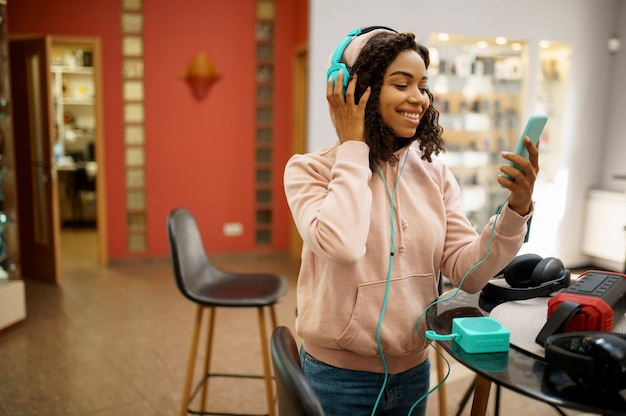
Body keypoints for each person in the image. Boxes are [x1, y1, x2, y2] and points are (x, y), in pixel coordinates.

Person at [283, 27, 538, 416]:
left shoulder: (434, 174)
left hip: (414, 373)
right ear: (355, 90)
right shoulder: (309, 171)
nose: (418, 98)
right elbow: (342, 246)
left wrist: (516, 211)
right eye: (401, 84)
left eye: (422, 86)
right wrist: (353, 147)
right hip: (337, 378)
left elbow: (467, 272)